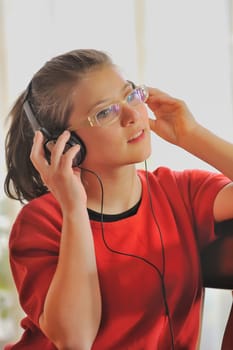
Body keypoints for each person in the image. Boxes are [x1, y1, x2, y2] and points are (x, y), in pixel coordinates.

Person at [3, 49, 233, 350]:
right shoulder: (42, 221)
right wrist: (74, 210)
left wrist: (189, 134)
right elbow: (76, 339)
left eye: (131, 96)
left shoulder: (180, 192)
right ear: (64, 143)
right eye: (105, 112)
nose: (131, 115)